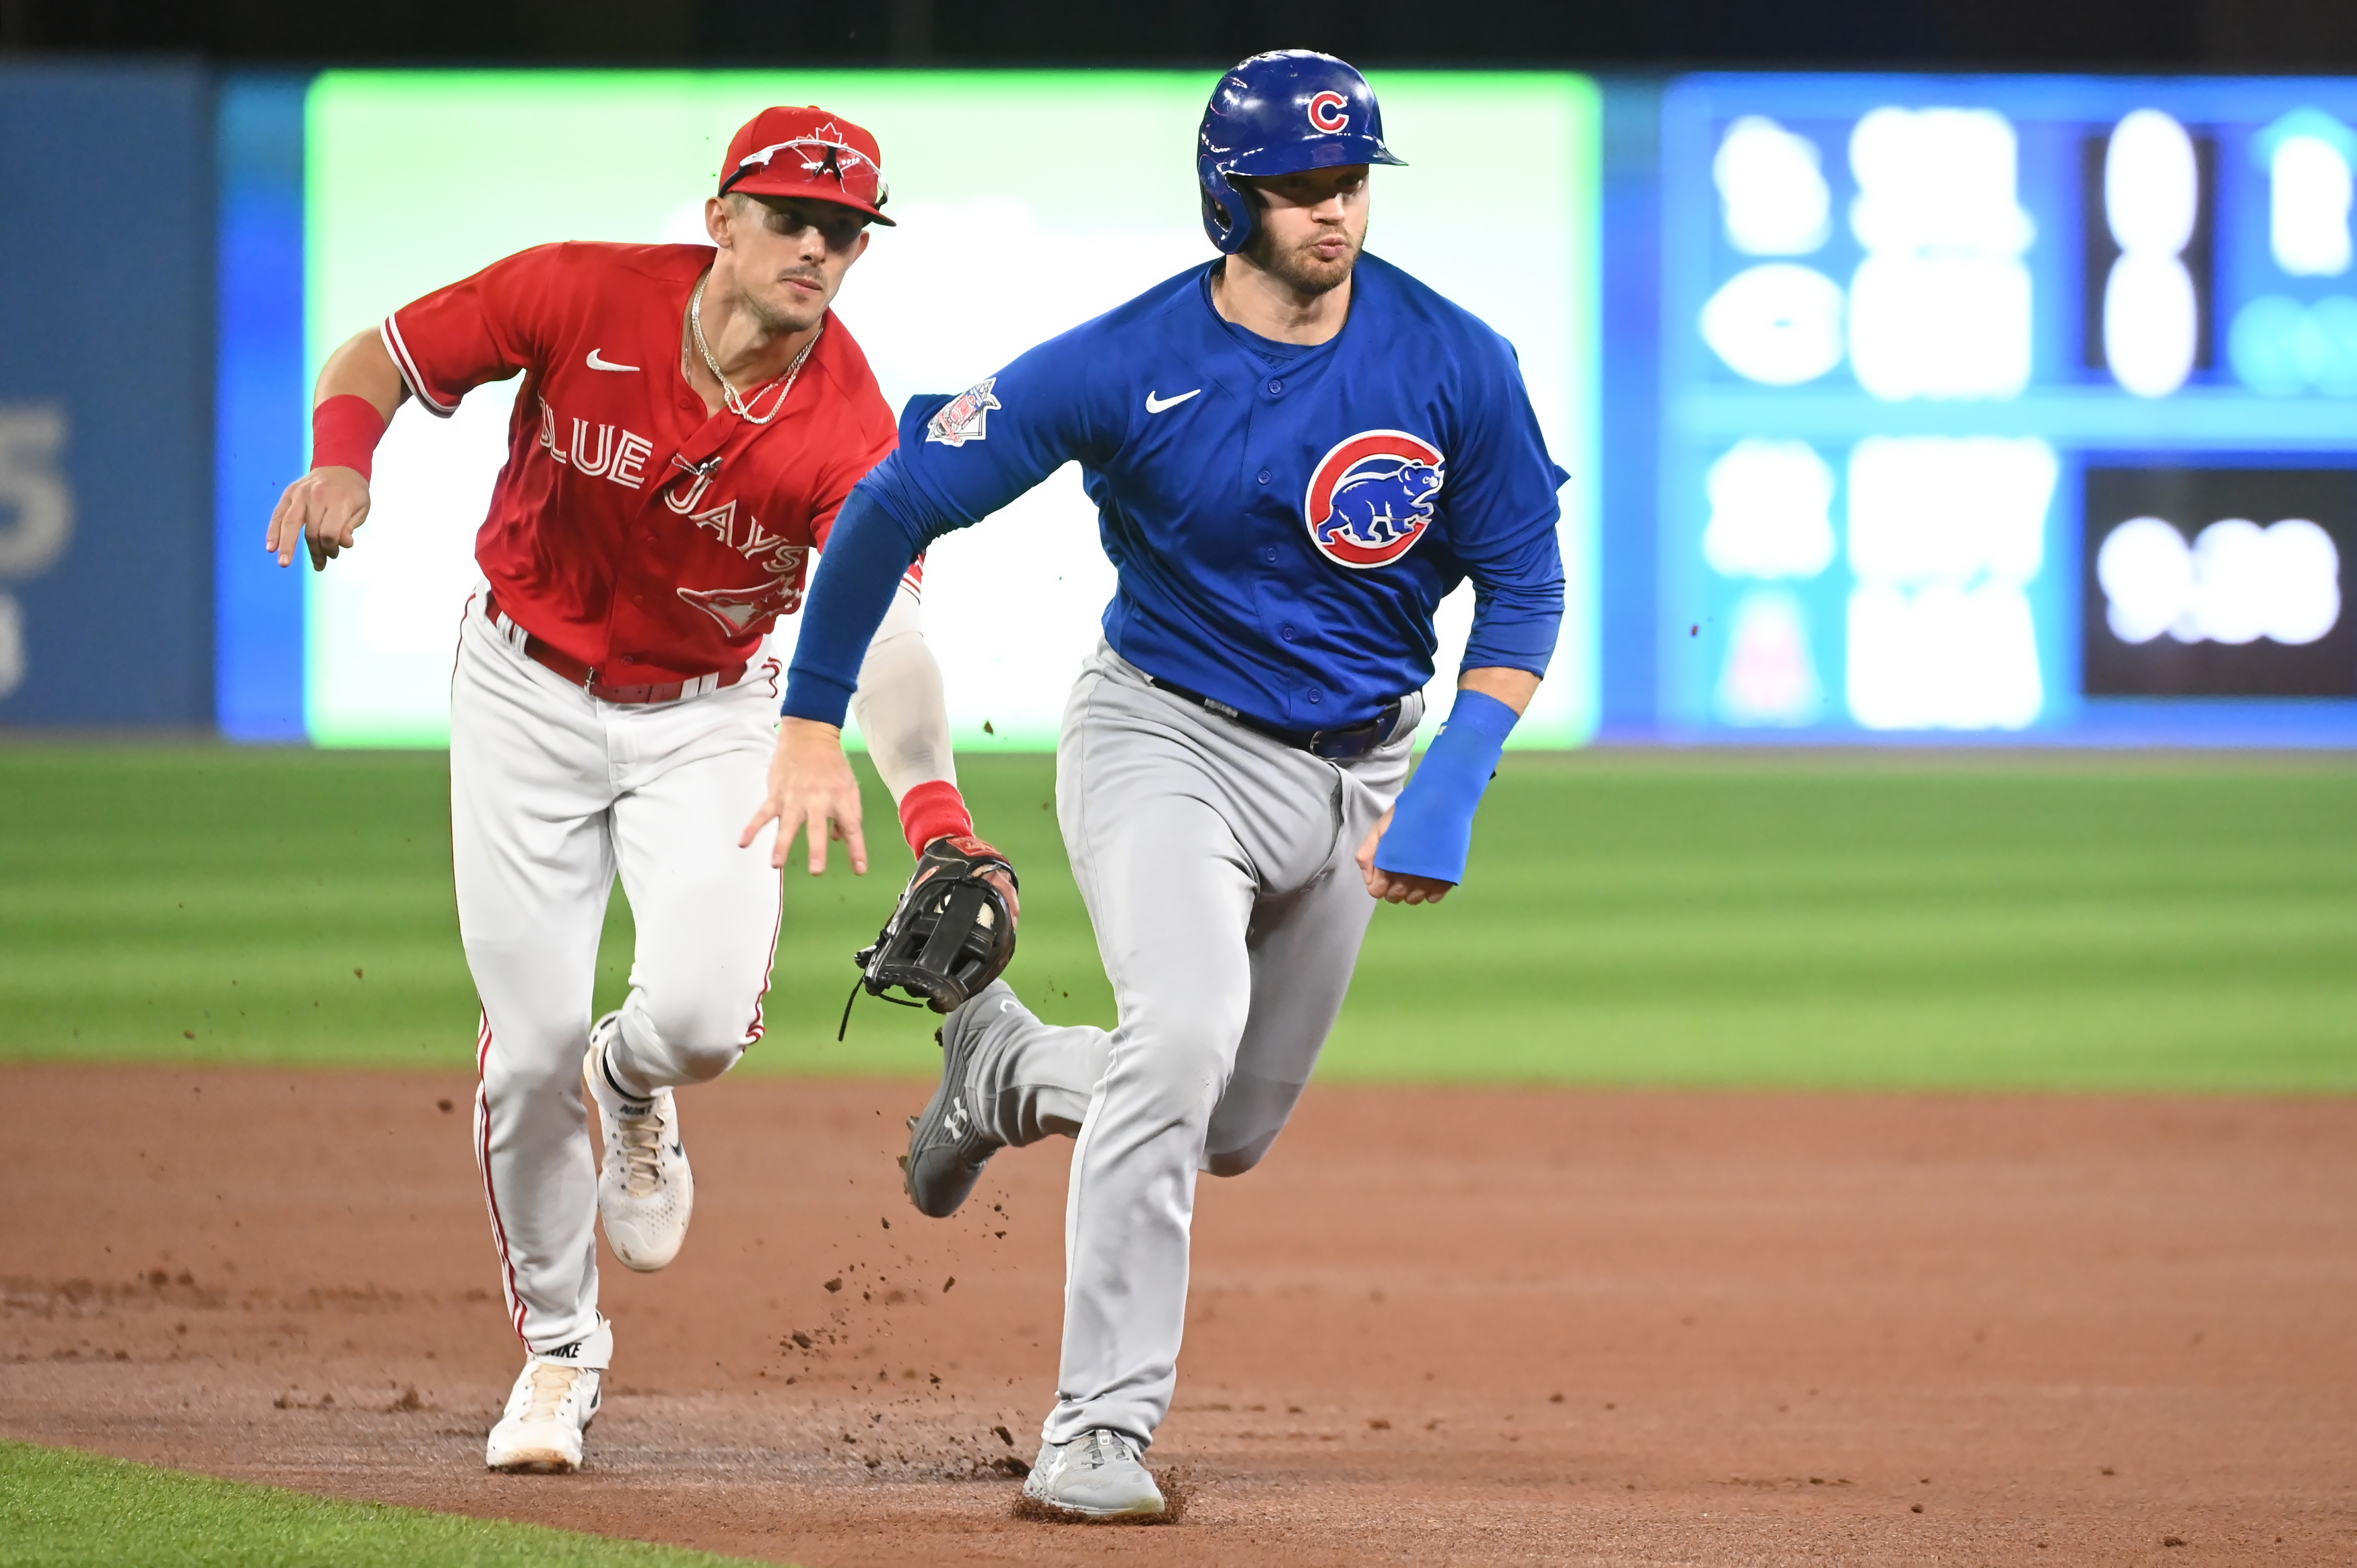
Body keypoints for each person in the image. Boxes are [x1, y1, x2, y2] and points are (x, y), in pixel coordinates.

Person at [756, 51, 1567, 1519]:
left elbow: (1524, 586)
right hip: (1165, 742)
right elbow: (888, 503)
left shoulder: (1455, 360)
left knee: (1230, 1128)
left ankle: (1005, 1065)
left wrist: (1456, 771)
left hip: (1362, 763)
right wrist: (813, 719)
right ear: (1226, 199)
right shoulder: (1122, 362)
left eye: (1353, 181)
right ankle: (1095, 1433)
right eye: (1302, 186)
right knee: (1179, 1043)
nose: (1335, 210)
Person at [267, 106, 995, 1473]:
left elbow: (888, 635)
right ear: (720, 217)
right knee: (524, 1047)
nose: (819, 249)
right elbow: (382, 355)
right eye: (792, 217)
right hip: (522, 694)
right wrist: (341, 460)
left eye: (845, 231)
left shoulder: (846, 427)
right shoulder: (577, 292)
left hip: (709, 713)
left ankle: (636, 1077)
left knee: (704, 1024)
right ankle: (557, 1354)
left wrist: (933, 813)